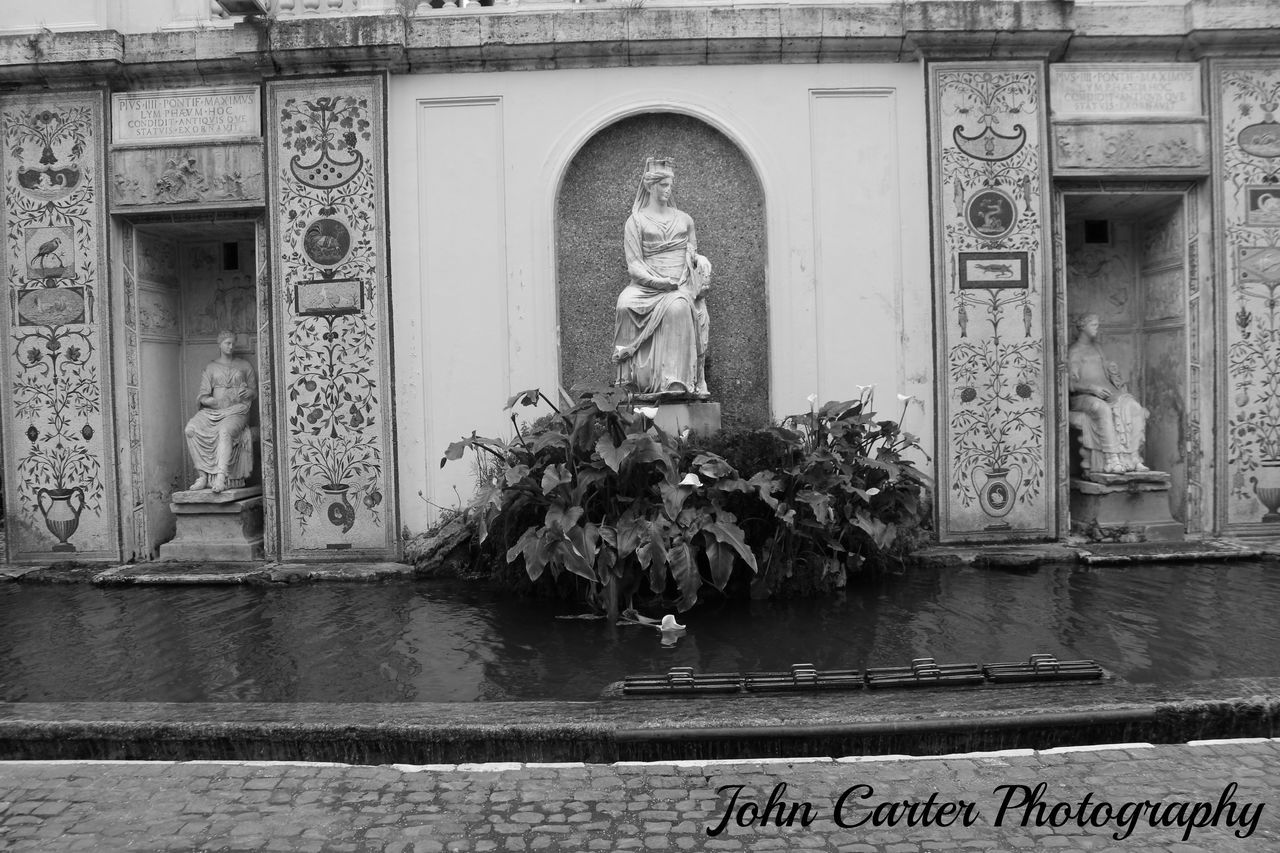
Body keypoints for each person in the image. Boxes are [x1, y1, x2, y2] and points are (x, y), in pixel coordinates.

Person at [612, 158, 713, 399]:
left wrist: (702, 260)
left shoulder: (684, 219)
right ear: (650, 186)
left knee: (677, 307)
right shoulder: (635, 221)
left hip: (679, 285)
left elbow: (692, 253)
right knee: (625, 304)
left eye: (670, 185)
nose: (668, 190)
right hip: (647, 284)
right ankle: (631, 381)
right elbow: (634, 264)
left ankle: (675, 380)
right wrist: (658, 283)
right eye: (663, 185)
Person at [1068, 314, 1148, 475]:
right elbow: (1070, 384)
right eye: (1094, 325)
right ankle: (1112, 459)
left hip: (1108, 393)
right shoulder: (1074, 351)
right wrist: (1092, 389)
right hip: (1083, 398)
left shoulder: (1097, 348)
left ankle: (1133, 457)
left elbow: (1106, 373)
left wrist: (1114, 379)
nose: (1097, 328)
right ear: (1083, 327)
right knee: (1101, 408)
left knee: (1134, 407)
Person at [184, 330, 257, 493]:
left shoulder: (244, 365)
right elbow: (203, 394)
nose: (231, 346)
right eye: (227, 343)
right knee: (190, 429)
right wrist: (208, 400)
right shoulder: (211, 367)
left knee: (225, 432)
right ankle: (202, 476)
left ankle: (221, 477)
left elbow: (255, 391)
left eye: (233, 343)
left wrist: (249, 393)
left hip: (238, 410)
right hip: (214, 411)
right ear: (220, 344)